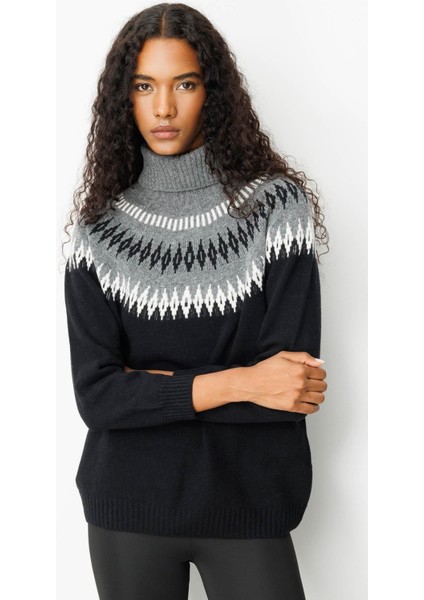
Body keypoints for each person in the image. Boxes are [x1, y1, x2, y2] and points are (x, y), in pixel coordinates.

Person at [62, 3, 329, 599]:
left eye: (184, 84)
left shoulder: (275, 209)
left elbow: (288, 391)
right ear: (123, 99)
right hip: (126, 507)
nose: (163, 108)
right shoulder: (98, 233)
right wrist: (240, 381)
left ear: (213, 92)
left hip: (250, 502)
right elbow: (98, 398)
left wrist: (152, 389)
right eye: (144, 87)